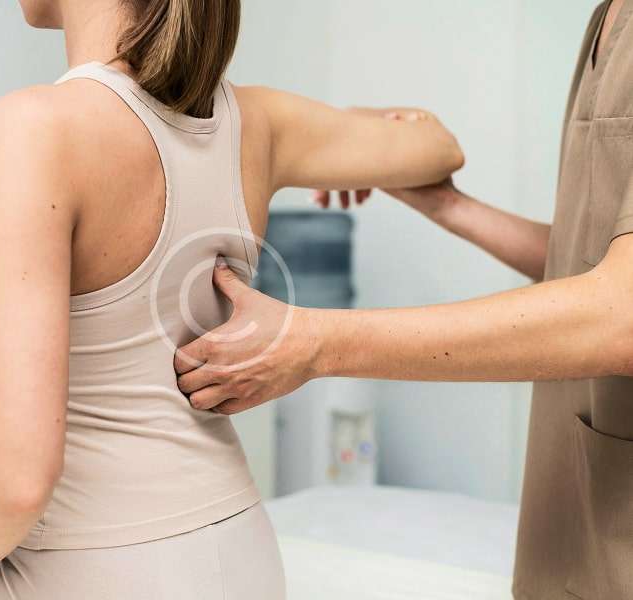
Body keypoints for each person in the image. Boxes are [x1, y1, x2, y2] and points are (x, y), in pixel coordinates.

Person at [0, 1, 464, 599]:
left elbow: (16, 478)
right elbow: (438, 148)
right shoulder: (260, 122)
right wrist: (353, 129)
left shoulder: (33, 126)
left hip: (88, 567)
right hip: (242, 553)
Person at [174, 1, 633, 599]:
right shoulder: (607, 18)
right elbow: (590, 257)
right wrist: (447, 204)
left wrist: (314, 344)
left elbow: (622, 311)